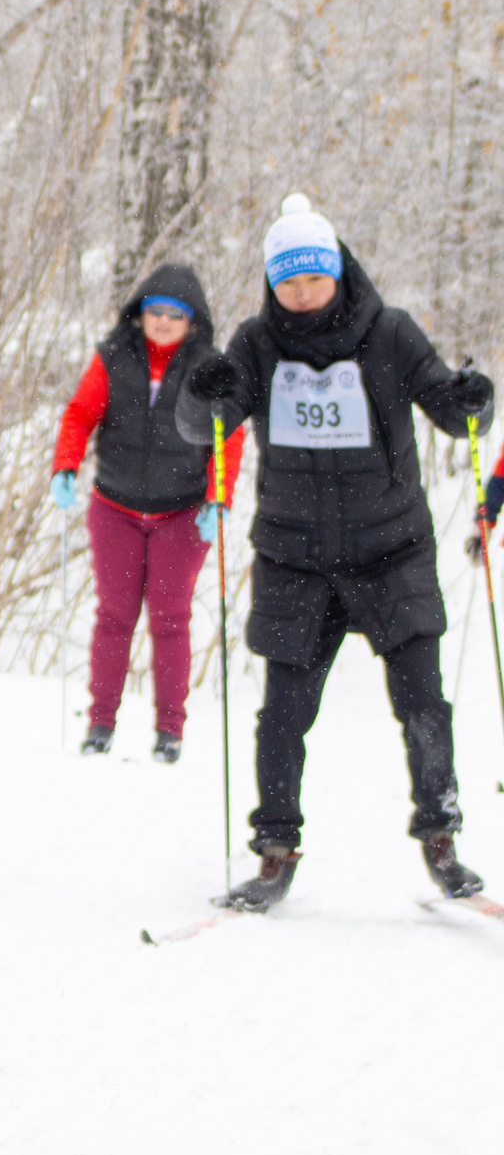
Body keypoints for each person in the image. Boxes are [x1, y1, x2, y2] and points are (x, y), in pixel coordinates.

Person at [178, 194, 493, 909]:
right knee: (283, 712)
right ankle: (275, 850)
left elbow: (453, 412)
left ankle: (441, 841)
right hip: (296, 556)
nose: (304, 296)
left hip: (393, 549)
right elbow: (206, 425)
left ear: (339, 273)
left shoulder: (392, 333)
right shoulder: (257, 344)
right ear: (272, 284)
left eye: (314, 281)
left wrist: (476, 399)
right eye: (289, 284)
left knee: (423, 702)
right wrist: (203, 394)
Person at [49, 264, 244, 761]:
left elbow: (229, 434)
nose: (161, 322)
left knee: (170, 618)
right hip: (114, 506)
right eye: (153, 311)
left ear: (193, 321)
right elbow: (80, 413)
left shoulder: (208, 368)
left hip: (181, 512)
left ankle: (170, 731)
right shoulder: (113, 357)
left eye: (173, 315)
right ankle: (100, 724)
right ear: (137, 315)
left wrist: (219, 498)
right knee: (114, 616)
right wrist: (65, 466)